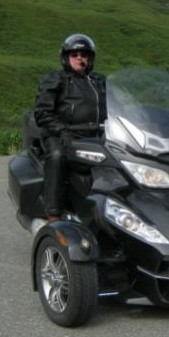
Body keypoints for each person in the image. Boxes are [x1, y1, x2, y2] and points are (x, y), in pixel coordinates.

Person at [34, 33, 106, 219]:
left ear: (90, 58)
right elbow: (42, 112)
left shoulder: (99, 81)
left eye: (84, 54)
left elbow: (118, 103)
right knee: (57, 156)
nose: (79, 58)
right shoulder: (56, 79)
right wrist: (61, 130)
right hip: (63, 133)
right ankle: (53, 213)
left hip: (95, 134)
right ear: (66, 58)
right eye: (74, 55)